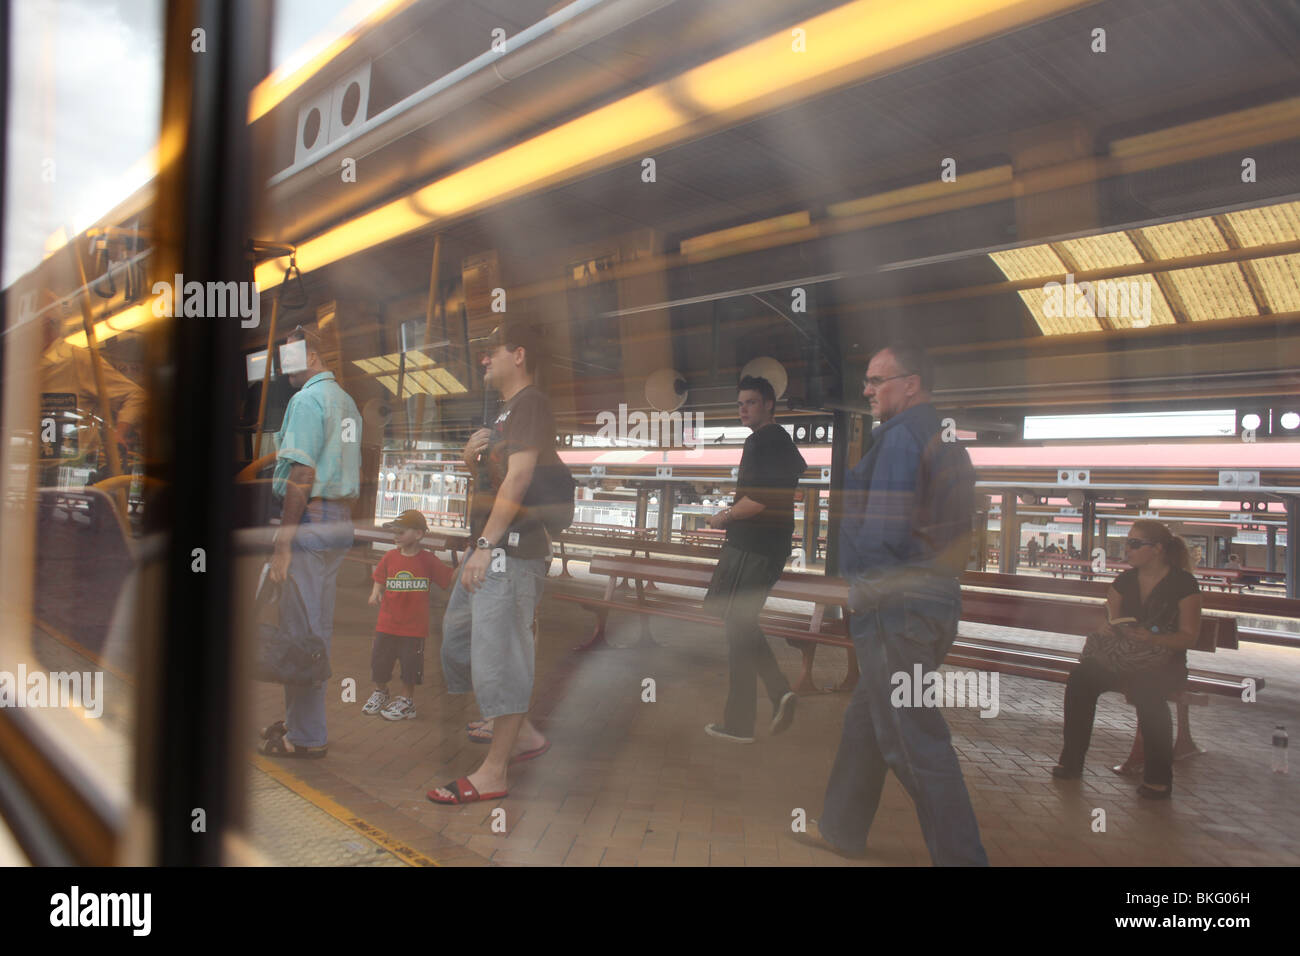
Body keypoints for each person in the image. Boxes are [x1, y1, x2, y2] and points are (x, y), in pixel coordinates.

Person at [807, 342, 988, 866]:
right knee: (866, 724)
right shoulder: (946, 440)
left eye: (875, 380)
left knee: (915, 743)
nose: (866, 390)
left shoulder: (902, 439)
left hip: (896, 609)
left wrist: (861, 590)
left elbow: (883, 531)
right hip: (930, 604)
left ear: (910, 384)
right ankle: (840, 828)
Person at [428, 317, 557, 804]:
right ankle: (520, 731)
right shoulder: (506, 414)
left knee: (501, 653)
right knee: (460, 640)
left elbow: (519, 480)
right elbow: (499, 478)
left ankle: (495, 771)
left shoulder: (531, 405)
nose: (483, 359)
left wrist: (486, 548)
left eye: (492, 351)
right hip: (490, 546)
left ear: (518, 354)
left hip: (513, 550)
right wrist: (469, 461)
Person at [260, 326, 361, 758]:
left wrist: (284, 542)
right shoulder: (348, 403)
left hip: (311, 522)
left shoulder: (306, 401)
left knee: (302, 631)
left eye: (293, 362)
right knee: (315, 625)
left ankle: (305, 738)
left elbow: (301, 475)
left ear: (315, 357)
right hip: (338, 522)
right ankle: (303, 724)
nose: (285, 373)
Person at [1052, 520, 1201, 798]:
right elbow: (1110, 619)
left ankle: (1158, 778)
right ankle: (1071, 762)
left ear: (1156, 549)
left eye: (1134, 544)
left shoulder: (1183, 584)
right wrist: (1107, 628)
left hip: (1165, 663)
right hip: (1124, 658)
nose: (1127, 549)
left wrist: (1154, 639)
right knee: (1081, 679)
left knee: (1148, 692)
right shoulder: (1125, 581)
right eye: (1126, 543)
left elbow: (1189, 637)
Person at [700, 376, 806, 743]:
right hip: (764, 547)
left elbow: (758, 501)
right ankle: (745, 718)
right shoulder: (778, 443)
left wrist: (723, 516)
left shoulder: (765, 441)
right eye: (741, 403)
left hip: (752, 547)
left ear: (769, 405)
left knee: (737, 622)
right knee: (738, 627)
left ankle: (770, 698)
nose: (744, 409)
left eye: (751, 402)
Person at [363, 509, 454, 721]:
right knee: (379, 662)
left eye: (401, 531)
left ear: (419, 534)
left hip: (414, 628)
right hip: (387, 624)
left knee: (410, 666)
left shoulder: (428, 560)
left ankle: (406, 701)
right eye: (394, 531)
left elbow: (447, 578)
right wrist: (375, 592)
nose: (396, 535)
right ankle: (381, 691)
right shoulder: (390, 557)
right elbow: (380, 577)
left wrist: (469, 560)